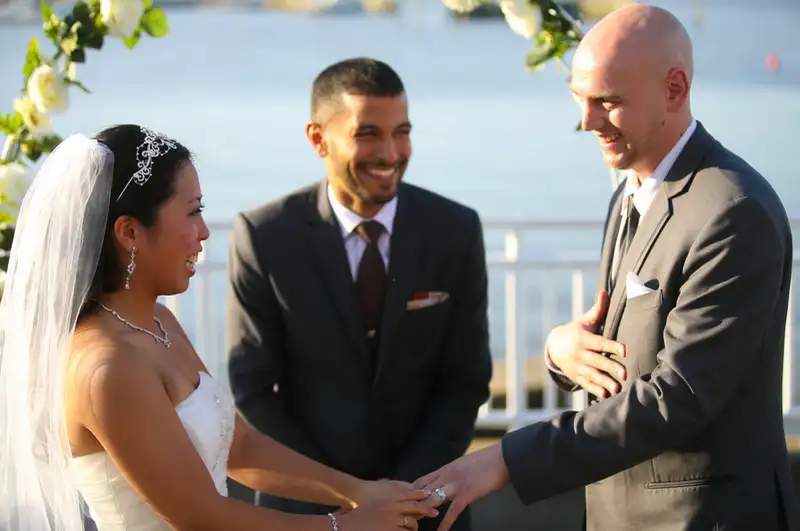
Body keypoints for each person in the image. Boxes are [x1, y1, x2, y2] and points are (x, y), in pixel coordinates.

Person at [412, 5, 800, 531]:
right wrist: (559, 350)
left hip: (702, 517)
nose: (587, 122)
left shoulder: (734, 211)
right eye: (580, 100)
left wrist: (504, 460)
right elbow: (621, 348)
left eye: (608, 103)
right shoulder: (630, 192)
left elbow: (677, 397)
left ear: (676, 88)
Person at [0, 125, 440, 531]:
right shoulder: (107, 369)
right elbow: (202, 517)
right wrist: (343, 526)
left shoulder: (158, 322)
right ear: (130, 231)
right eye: (192, 212)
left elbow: (240, 448)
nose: (205, 231)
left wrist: (358, 491)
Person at [226, 57, 493, 531]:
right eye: (368, 133)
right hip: (307, 512)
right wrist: (346, 497)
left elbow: (465, 379)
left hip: (426, 507)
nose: (390, 153)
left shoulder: (455, 230)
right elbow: (252, 387)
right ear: (318, 138)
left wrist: (403, 497)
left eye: (402, 131)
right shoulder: (264, 236)